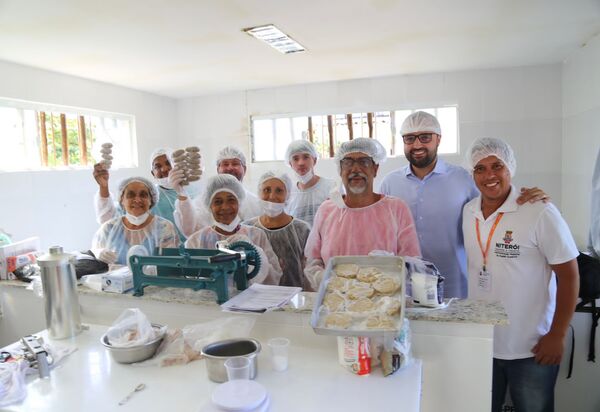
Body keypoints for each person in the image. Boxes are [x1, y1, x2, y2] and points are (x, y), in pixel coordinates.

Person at [462, 138, 579, 412]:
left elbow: (570, 274)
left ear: (510, 168)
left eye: (497, 166)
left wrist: (557, 334)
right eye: (480, 168)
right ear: (472, 174)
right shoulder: (468, 211)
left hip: (531, 346)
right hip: (483, 343)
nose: (489, 175)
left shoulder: (538, 211)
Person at [380, 111, 548, 298]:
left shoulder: (463, 178)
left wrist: (524, 197)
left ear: (438, 139)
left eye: (425, 137)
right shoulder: (389, 183)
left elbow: (494, 206)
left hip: (454, 280)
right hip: (405, 281)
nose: (417, 144)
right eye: (409, 138)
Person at [304, 137, 421, 290]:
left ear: (375, 169)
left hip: (384, 303)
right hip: (336, 302)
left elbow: (414, 262)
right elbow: (312, 261)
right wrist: (326, 280)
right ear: (340, 170)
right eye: (348, 162)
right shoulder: (327, 210)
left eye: (364, 162)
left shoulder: (396, 209)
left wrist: (392, 266)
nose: (355, 169)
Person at [185, 174, 282, 285]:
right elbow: (191, 281)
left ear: (239, 203)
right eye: (218, 202)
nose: (225, 207)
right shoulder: (196, 241)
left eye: (231, 200)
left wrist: (255, 253)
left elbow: (274, 277)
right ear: (209, 206)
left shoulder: (256, 235)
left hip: (251, 300)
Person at [93, 148, 192, 242]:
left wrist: (182, 193)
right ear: (153, 173)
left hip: (193, 251)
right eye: (157, 166)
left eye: (168, 163)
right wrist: (103, 187)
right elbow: (109, 220)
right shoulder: (148, 197)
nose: (164, 169)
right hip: (160, 252)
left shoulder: (193, 192)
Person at [174, 146, 262, 237]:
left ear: (245, 169)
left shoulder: (256, 203)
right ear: (218, 169)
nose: (230, 168)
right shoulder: (202, 202)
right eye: (225, 164)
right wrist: (182, 193)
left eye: (235, 163)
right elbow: (191, 231)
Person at [244, 171, 312, 289]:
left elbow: (309, 268)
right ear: (259, 193)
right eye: (267, 190)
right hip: (255, 297)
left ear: (288, 194)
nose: (272, 196)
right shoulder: (247, 228)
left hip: (294, 297)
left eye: (279, 191)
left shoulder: (301, 229)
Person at [92, 176, 180, 265]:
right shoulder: (109, 228)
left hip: (153, 279)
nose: (137, 200)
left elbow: (170, 264)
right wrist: (98, 253)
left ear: (151, 200)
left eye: (143, 195)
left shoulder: (164, 228)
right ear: (122, 200)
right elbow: (95, 250)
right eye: (131, 195)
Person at [284, 140, 337, 226]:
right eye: (295, 158)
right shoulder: (288, 194)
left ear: (314, 160)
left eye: (306, 157)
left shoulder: (330, 187)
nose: (301, 163)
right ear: (290, 164)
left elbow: (341, 218)